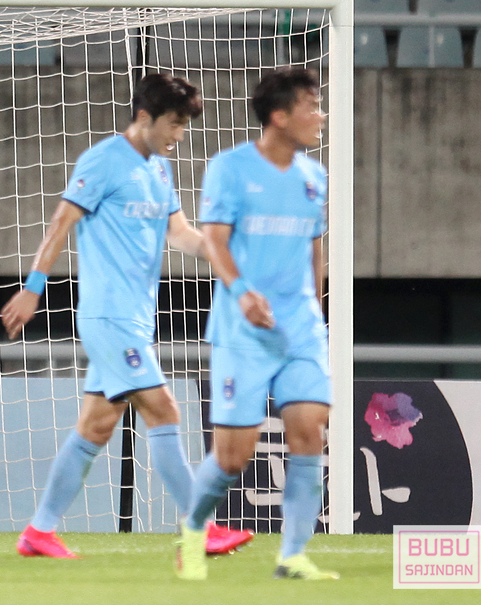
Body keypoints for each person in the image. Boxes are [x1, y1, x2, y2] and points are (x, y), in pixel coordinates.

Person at [1, 73, 252, 559]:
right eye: (174, 123)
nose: (180, 135)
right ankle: (199, 527)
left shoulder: (160, 169)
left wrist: (229, 254)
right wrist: (33, 288)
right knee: (164, 409)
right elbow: (61, 222)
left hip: (135, 319)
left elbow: (180, 234)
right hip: (108, 316)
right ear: (144, 117)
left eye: (184, 125)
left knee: (96, 427)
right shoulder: (102, 161)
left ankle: (39, 531)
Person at [175, 67, 337, 581]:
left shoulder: (315, 177)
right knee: (233, 458)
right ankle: (194, 532)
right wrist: (243, 293)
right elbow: (214, 241)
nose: (321, 116)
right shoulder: (229, 168)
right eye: (312, 106)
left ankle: (292, 555)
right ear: (280, 116)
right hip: (242, 331)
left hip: (299, 330)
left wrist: (317, 311)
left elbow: (314, 248)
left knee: (310, 431)